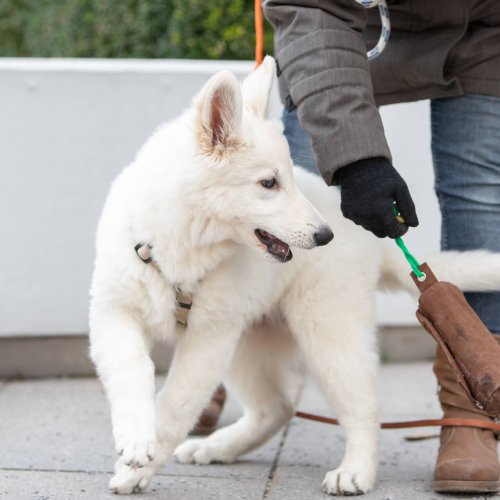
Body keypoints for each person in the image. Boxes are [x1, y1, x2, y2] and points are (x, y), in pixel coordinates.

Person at [263, 0, 500, 494]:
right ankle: (231, 353)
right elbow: (309, 8)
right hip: (343, 18)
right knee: (294, 189)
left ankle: (474, 412)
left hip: (488, 25)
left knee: (480, 193)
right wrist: (357, 162)